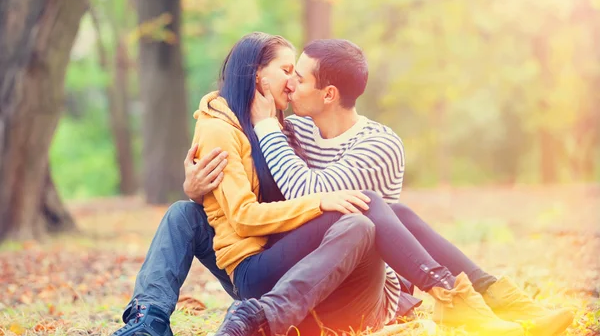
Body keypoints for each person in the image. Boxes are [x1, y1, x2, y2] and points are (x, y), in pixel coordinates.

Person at [112, 34, 573, 336]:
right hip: (278, 261)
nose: (291, 84)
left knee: (367, 215)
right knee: (182, 211)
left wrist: (269, 129)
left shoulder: (372, 143)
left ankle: (486, 297)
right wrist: (196, 186)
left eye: (299, 75)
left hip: (360, 280)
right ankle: (146, 320)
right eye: (286, 71)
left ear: (328, 94)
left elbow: (299, 191)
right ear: (259, 76)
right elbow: (249, 195)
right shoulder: (291, 127)